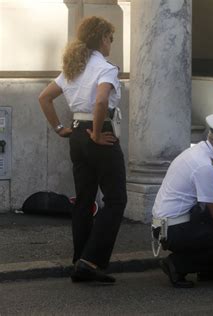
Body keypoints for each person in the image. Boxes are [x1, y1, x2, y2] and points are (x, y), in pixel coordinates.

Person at [38, 16, 127, 284]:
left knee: (85, 199)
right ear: (102, 38)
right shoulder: (106, 68)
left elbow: (44, 97)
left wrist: (59, 128)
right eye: (110, 38)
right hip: (99, 134)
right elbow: (101, 101)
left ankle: (80, 259)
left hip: (76, 133)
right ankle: (91, 261)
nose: (112, 42)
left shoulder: (73, 68)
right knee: (115, 199)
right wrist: (98, 135)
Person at [152, 110, 213, 288]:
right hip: (174, 230)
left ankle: (208, 270)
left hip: (174, 223)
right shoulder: (203, 166)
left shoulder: (202, 152)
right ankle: (177, 264)